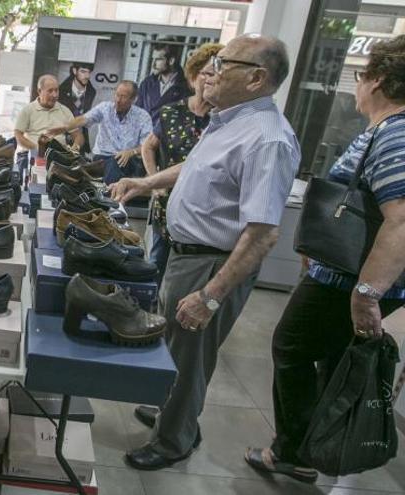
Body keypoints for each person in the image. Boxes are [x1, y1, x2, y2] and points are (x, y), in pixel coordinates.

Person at [111, 33, 300, 470]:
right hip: (186, 254)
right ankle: (173, 410)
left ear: (256, 78)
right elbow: (195, 167)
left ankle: (174, 439)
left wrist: (211, 295)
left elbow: (262, 233)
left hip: (211, 262)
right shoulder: (229, 121)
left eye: (223, 63)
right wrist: (146, 183)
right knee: (177, 347)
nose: (210, 72)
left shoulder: (267, 139)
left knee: (190, 354)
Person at [245, 35, 405, 484]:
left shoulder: (396, 133)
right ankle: (316, 447)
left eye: (361, 75)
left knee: (291, 347)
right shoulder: (386, 131)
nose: (357, 85)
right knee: (330, 359)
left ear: (379, 80)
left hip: (346, 282)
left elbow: (401, 220)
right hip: (340, 274)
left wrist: (367, 293)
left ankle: (294, 450)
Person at [142, 43, 223, 285]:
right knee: (157, 263)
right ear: (193, 76)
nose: (209, 80)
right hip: (168, 202)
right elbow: (149, 146)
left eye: (215, 75)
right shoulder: (171, 112)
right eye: (205, 74)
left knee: (188, 276)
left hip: (204, 210)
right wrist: (153, 182)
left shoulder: (222, 118)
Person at [47, 81, 152, 184]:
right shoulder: (105, 108)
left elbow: (147, 145)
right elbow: (83, 119)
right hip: (102, 158)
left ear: (133, 99)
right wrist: (64, 127)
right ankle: (109, 194)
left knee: (123, 164)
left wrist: (131, 152)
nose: (118, 100)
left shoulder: (143, 117)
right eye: (116, 95)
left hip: (127, 159)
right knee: (111, 164)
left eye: (123, 97)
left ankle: (101, 190)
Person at [14, 75, 83, 158]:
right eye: (50, 91)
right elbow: (18, 135)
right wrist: (36, 148)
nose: (54, 95)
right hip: (33, 155)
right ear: (39, 91)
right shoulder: (27, 110)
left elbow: (78, 136)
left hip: (59, 157)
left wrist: (74, 149)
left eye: (56, 90)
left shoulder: (65, 111)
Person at [137, 40, 192, 125]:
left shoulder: (187, 87)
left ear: (171, 61)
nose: (153, 64)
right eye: (153, 59)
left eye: (158, 59)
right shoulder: (146, 83)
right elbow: (136, 113)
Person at [59, 63, 97, 154]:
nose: (87, 76)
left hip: (81, 139)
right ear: (74, 71)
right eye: (83, 71)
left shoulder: (92, 92)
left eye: (89, 72)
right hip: (62, 137)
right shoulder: (61, 90)